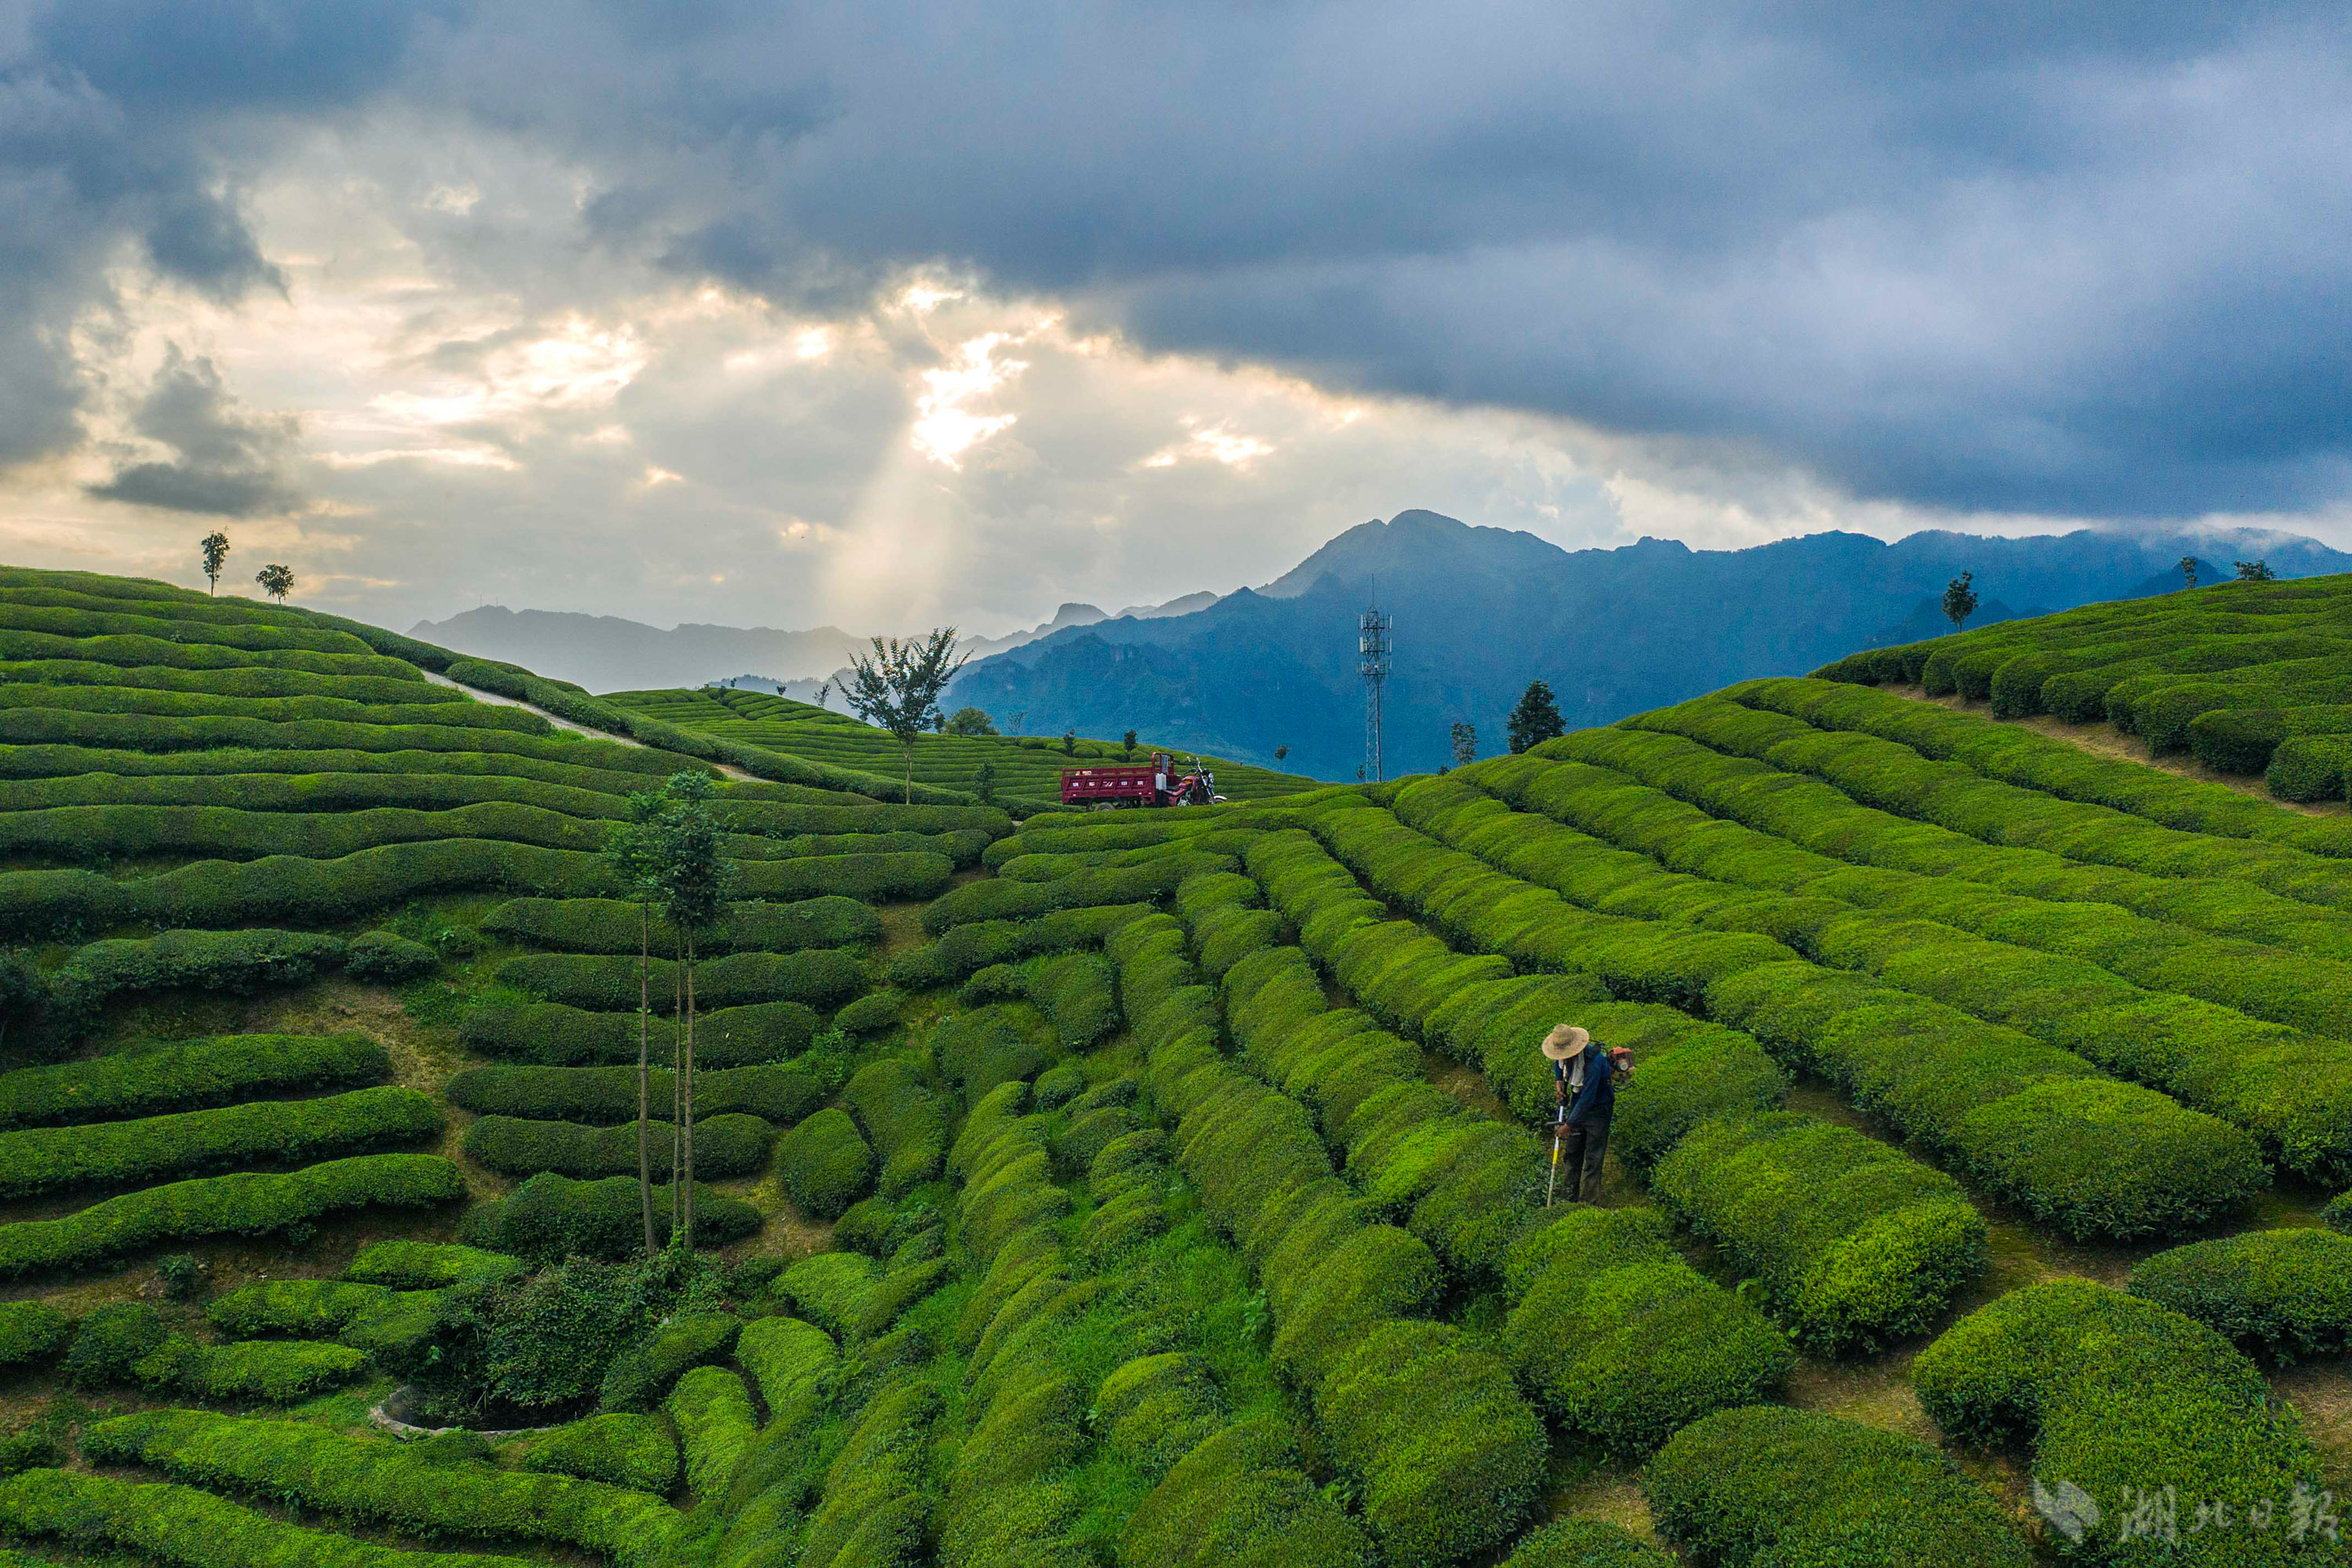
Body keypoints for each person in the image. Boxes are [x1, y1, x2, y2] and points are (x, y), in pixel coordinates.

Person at [1542, 1023, 1629, 1203]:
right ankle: (1569, 1196)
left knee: (1593, 1155)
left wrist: (1569, 1125)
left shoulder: (1593, 1062)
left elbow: (1588, 1098)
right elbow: (1559, 1065)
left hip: (1599, 1105)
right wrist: (1559, 1082)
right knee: (1573, 1151)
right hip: (1578, 1100)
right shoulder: (1564, 1057)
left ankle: (1588, 1201)